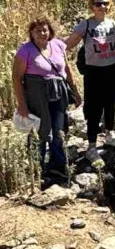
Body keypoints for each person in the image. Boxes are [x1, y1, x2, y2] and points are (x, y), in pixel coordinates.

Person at [12, 17, 81, 186]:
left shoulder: (58, 44)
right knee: (40, 130)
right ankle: (37, 168)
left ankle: (57, 165)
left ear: (50, 31)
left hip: (58, 91)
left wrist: (75, 91)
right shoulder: (25, 50)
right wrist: (22, 104)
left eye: (45, 30)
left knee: (59, 129)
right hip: (36, 93)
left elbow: (67, 69)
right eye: (38, 31)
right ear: (31, 33)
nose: (42, 33)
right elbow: (16, 78)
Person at [65, 0, 115, 168]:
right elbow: (68, 44)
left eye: (105, 3)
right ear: (92, 6)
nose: (102, 7)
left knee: (111, 103)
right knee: (94, 107)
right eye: (98, 4)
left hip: (112, 69)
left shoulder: (112, 23)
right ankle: (91, 145)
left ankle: (109, 134)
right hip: (94, 72)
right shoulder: (86, 25)